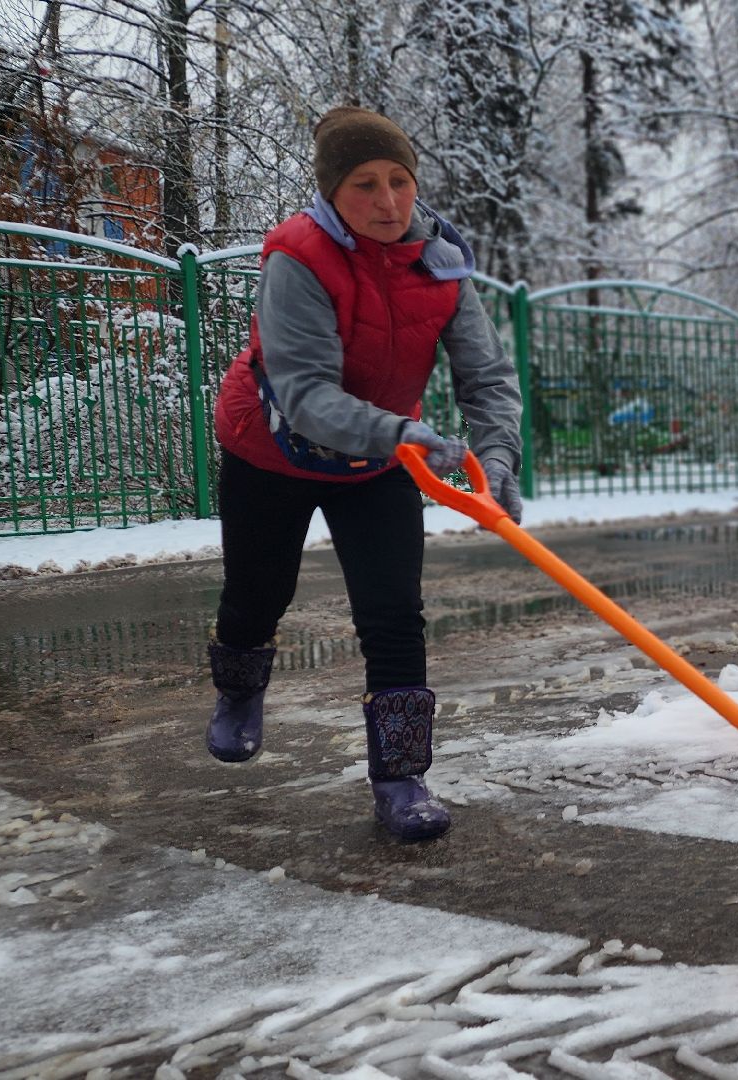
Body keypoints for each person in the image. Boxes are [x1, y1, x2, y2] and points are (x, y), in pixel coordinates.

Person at [203, 107, 523, 841]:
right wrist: (401, 433)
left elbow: (486, 376)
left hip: (379, 458)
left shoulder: (441, 261)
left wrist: (499, 454)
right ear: (330, 192)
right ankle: (239, 691)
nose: (387, 202)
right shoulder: (297, 257)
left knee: (393, 613)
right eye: (364, 185)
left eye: (399, 181)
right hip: (273, 450)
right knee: (257, 595)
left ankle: (401, 779)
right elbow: (307, 393)